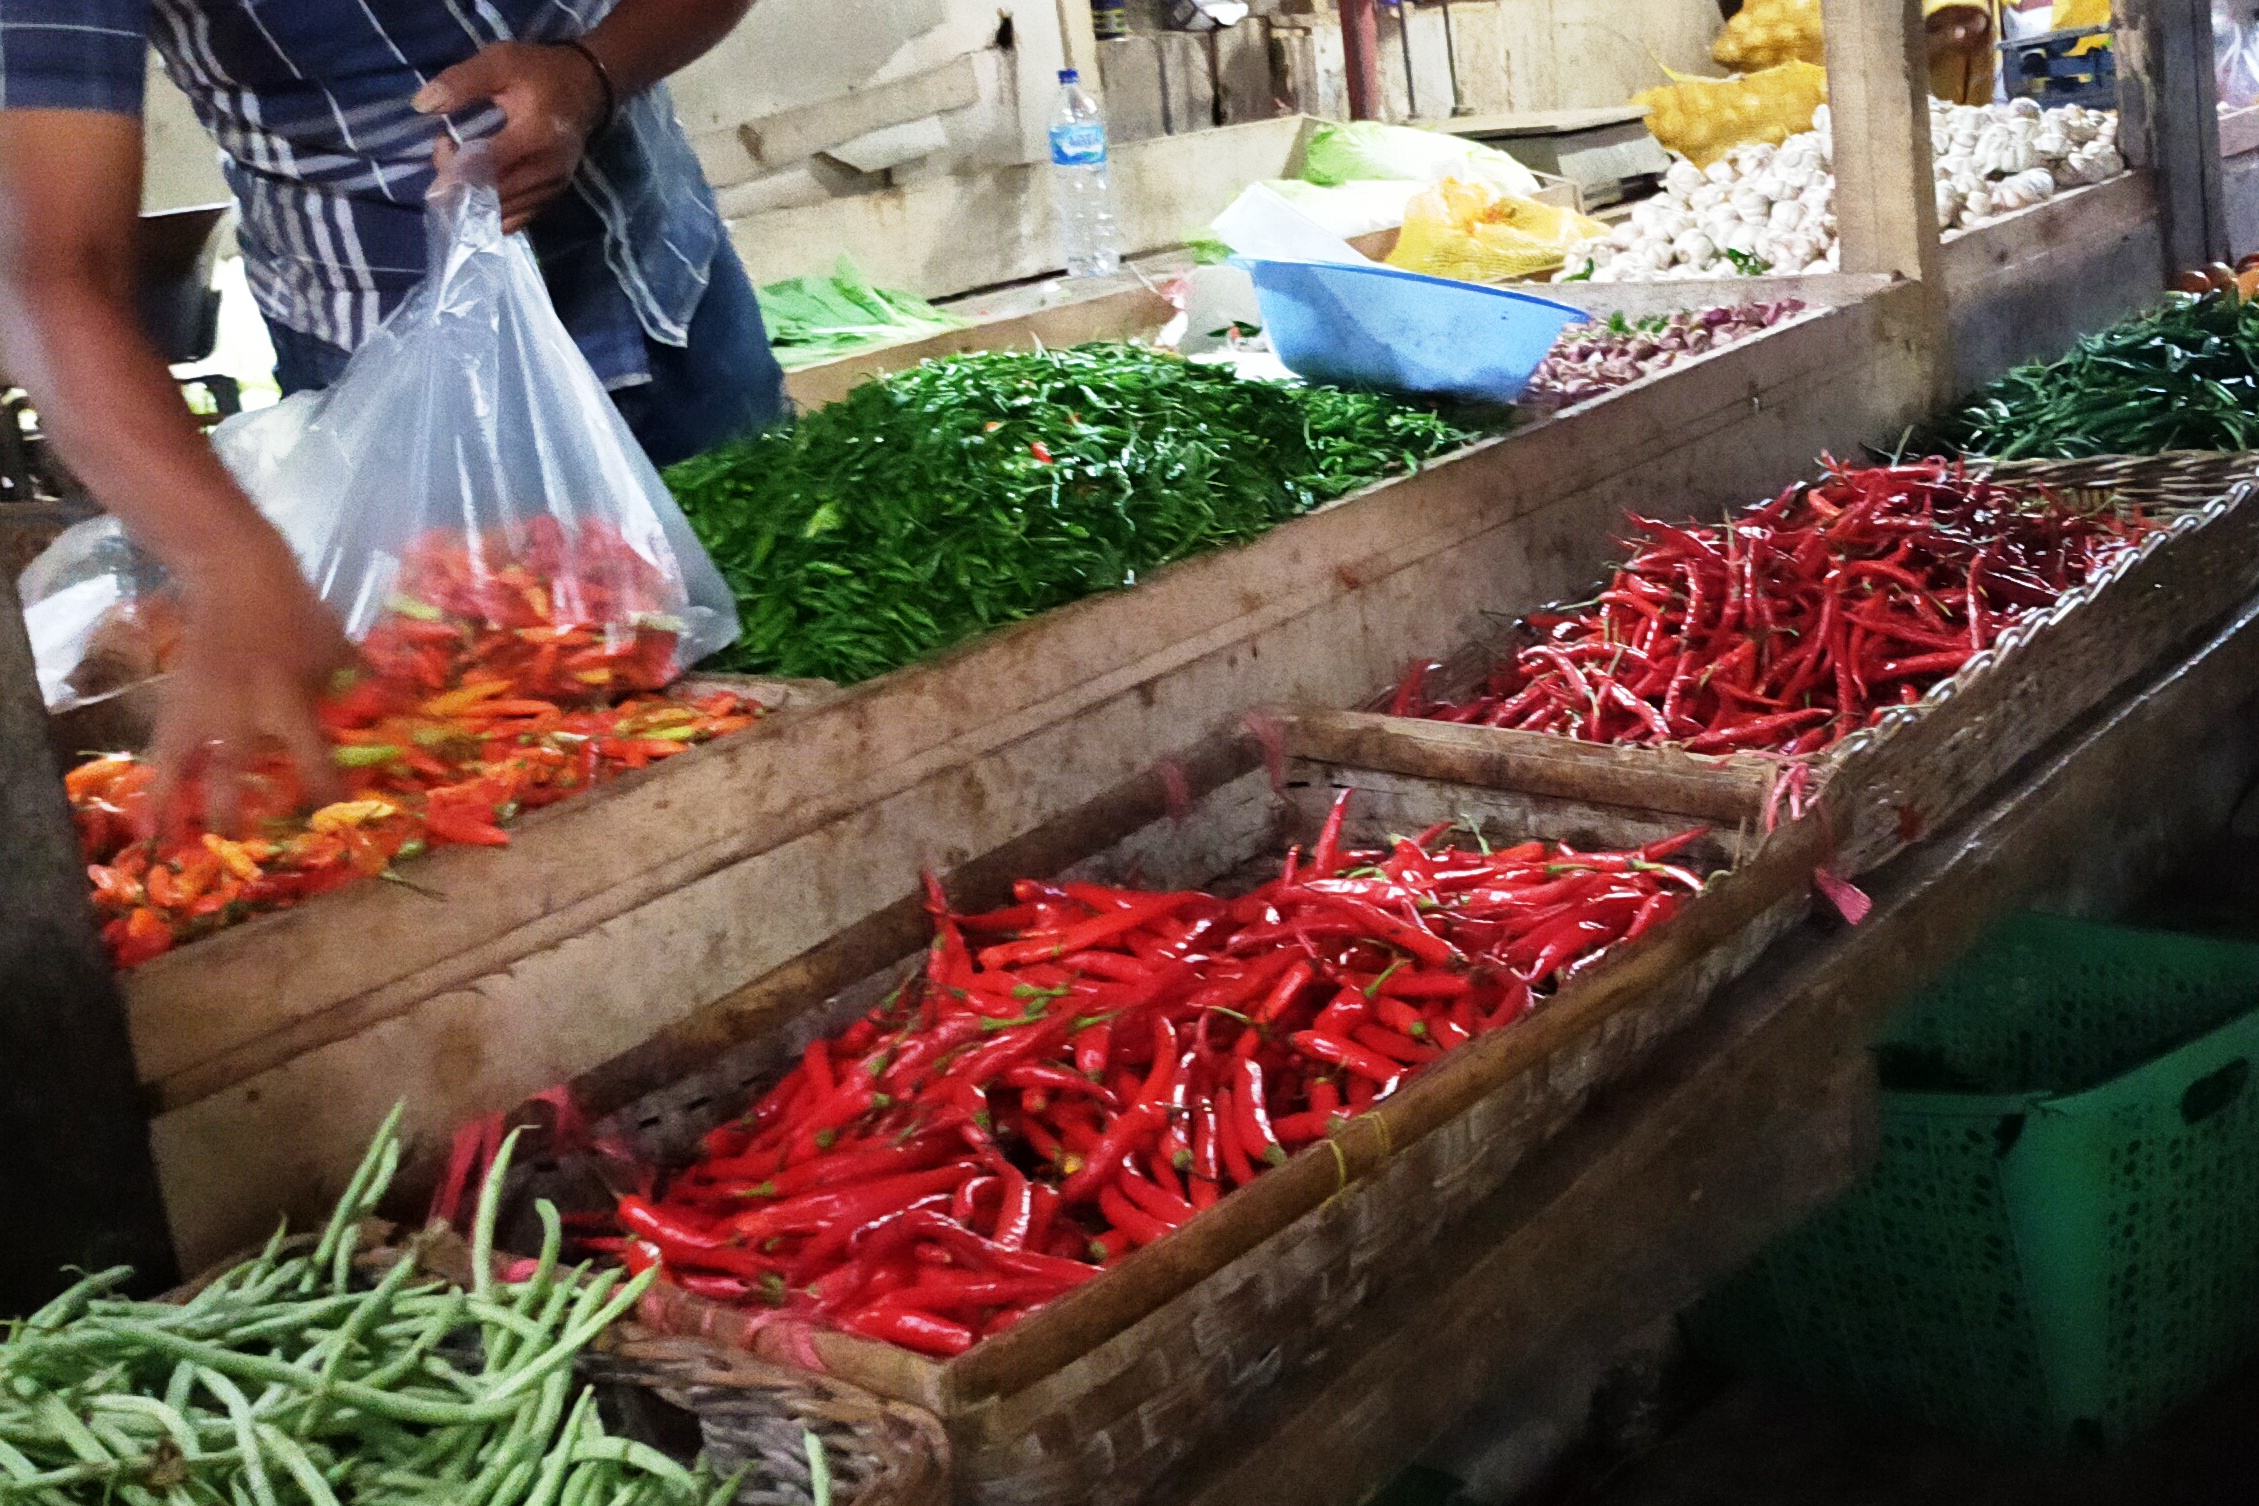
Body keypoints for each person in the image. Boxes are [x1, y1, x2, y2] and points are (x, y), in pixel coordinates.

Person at [0, 0, 783, 825]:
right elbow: (43, 273)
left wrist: (592, 71)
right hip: (393, 400)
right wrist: (232, 565)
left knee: (784, 720)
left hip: (667, 293)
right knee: (501, 791)